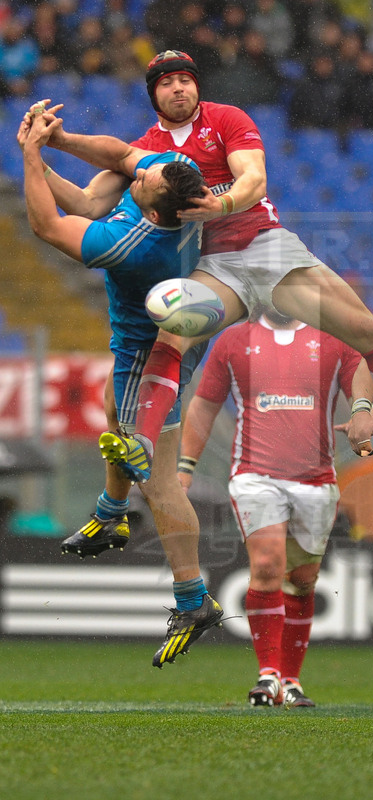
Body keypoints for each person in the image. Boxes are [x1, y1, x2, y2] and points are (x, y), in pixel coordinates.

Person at [64, 49, 373, 488]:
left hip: (265, 247)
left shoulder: (226, 120)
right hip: (211, 264)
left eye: (185, 79)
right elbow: (87, 199)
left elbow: (254, 179)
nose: (178, 87)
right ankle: (141, 442)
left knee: (368, 333)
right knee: (171, 336)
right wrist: (41, 153)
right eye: (165, 82)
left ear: (197, 85)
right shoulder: (146, 151)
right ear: (153, 95)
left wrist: (223, 203)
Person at [17, 106, 223, 667]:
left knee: (160, 482)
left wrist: (33, 156)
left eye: (148, 178)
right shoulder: (174, 176)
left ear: (155, 206)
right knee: (112, 406)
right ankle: (111, 512)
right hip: (178, 323)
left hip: (147, 352)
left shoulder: (133, 245)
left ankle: (192, 598)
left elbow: (47, 225)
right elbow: (118, 154)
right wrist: (59, 141)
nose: (143, 169)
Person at [177, 307, 373, 707]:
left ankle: (291, 680)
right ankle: (268, 675)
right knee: (268, 564)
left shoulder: (333, 338)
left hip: (317, 479)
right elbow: (204, 405)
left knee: (302, 579)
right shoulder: (235, 341)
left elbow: (364, 386)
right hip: (255, 474)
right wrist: (185, 467)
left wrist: (364, 415)